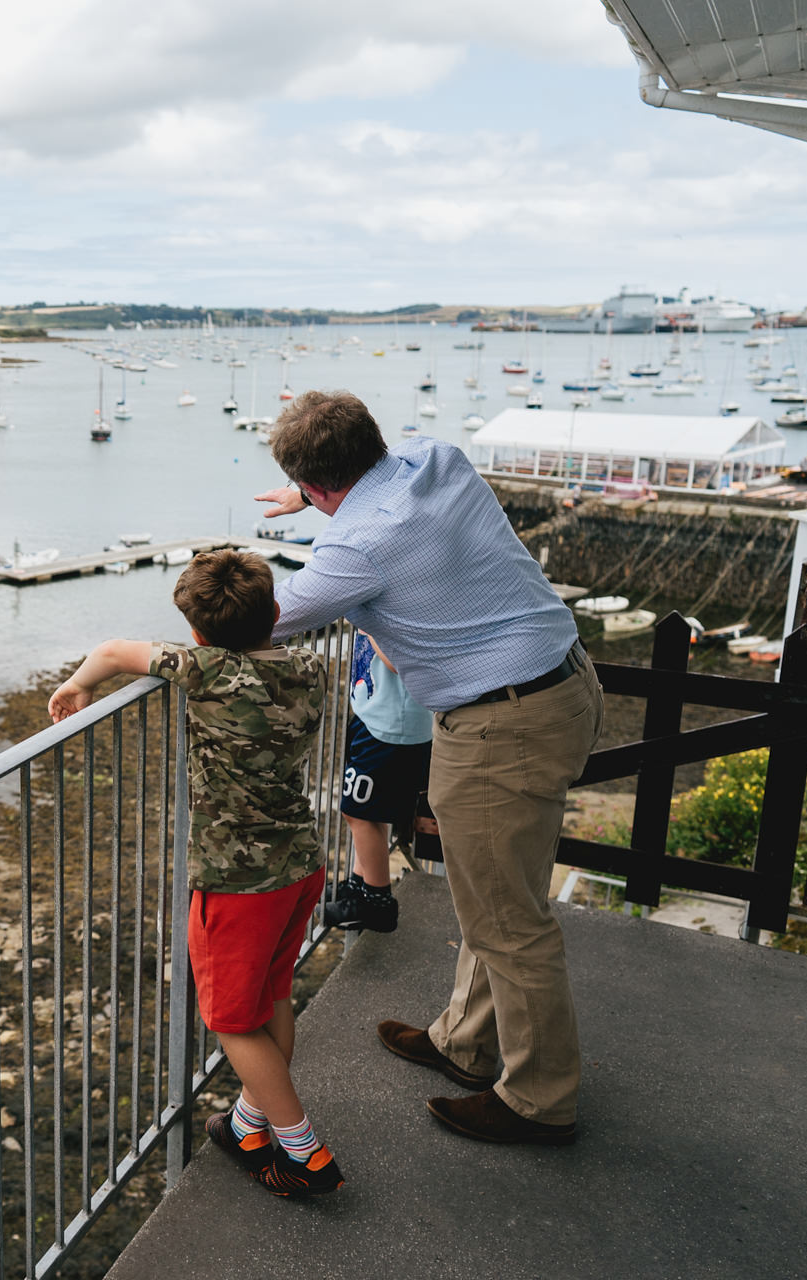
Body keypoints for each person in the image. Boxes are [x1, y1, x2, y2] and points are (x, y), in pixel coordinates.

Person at [258, 390, 602, 1147]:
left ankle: (540, 1100)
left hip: (500, 726)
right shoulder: (433, 456)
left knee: (510, 922)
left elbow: (255, 621)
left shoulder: (354, 549)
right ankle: (468, 1043)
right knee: (494, 890)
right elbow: (360, 481)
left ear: (317, 489)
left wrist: (121, 654)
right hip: (563, 685)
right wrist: (315, 494)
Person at [48, 549, 342, 1196]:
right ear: (274, 613)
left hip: (238, 883)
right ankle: (246, 1123)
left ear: (196, 634)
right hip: (299, 862)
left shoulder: (203, 669)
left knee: (234, 1022)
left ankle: (304, 1153)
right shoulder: (311, 666)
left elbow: (116, 650)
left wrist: (78, 684)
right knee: (272, 998)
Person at [325, 630, 433, 933]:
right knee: (371, 810)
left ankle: (377, 901)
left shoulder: (402, 602)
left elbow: (403, 662)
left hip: (392, 727)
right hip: (381, 719)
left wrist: (369, 624)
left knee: (358, 812)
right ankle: (361, 884)